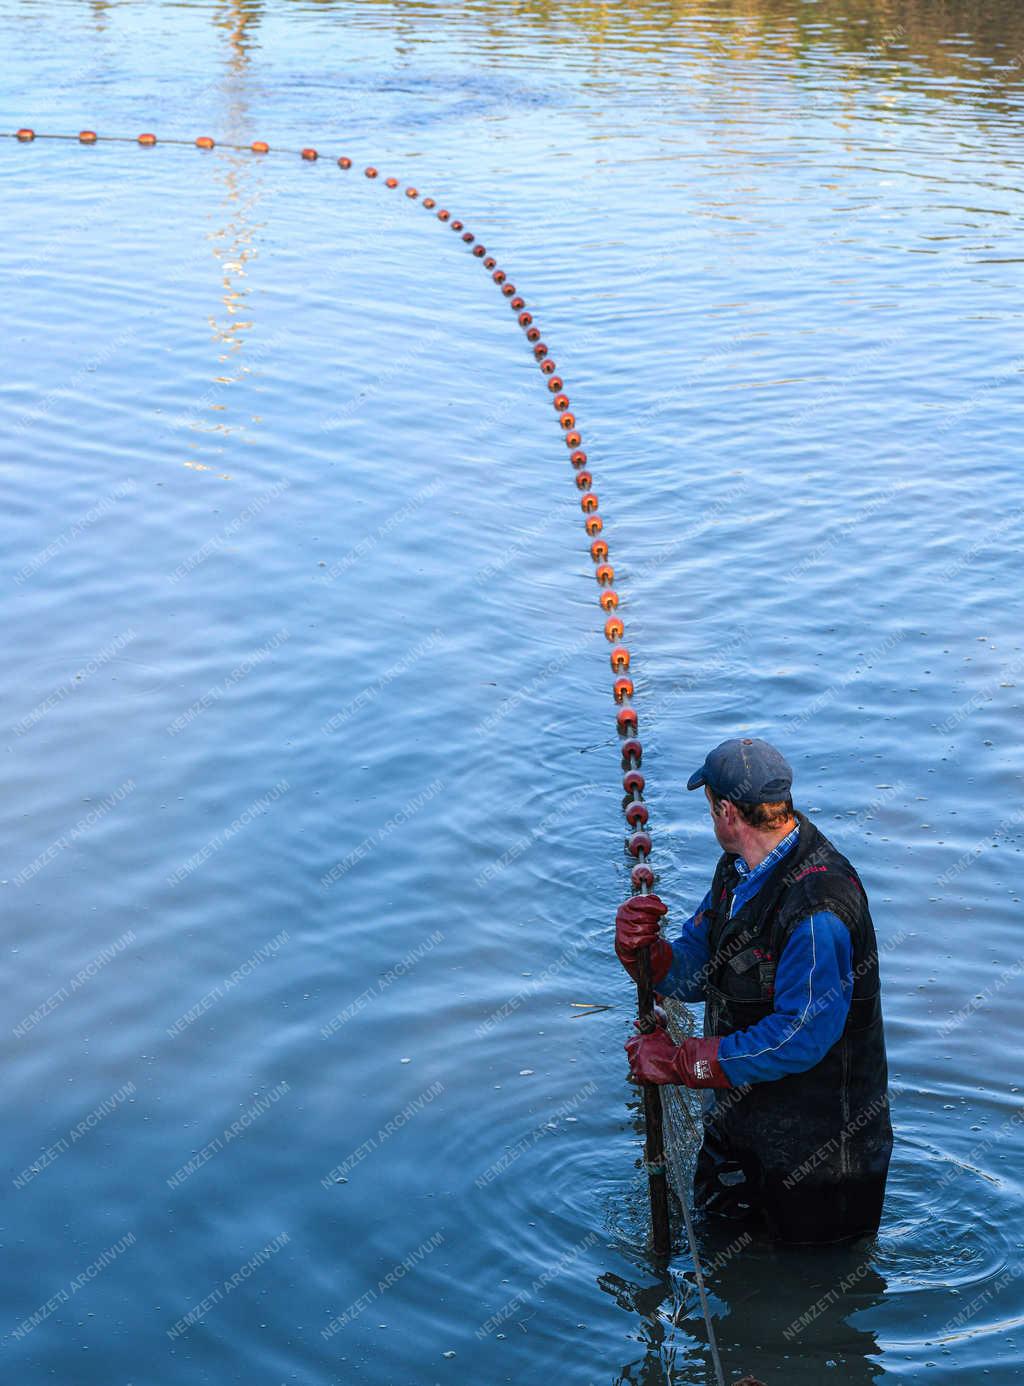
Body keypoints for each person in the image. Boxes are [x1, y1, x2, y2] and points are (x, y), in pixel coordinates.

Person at [616, 736, 892, 1245]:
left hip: (822, 1162)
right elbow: (701, 966)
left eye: (709, 807)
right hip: (740, 1133)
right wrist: (648, 958)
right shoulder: (738, 871)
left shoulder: (817, 909)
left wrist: (684, 1063)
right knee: (720, 1258)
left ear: (726, 812)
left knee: (812, 1294)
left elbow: (799, 1036)